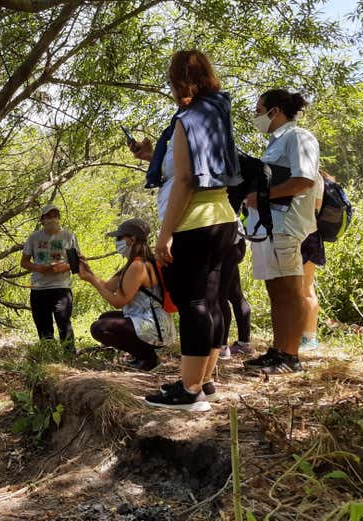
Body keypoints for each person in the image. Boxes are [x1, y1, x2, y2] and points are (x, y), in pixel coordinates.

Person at [131, 50, 242, 411]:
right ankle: (204, 380)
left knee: (193, 303)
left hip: (194, 224)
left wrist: (165, 234)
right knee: (211, 302)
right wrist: (151, 156)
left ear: (179, 80)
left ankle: (189, 390)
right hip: (222, 219)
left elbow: (184, 179)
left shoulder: (188, 119)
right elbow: (192, 165)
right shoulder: (214, 114)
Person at [243, 90, 320, 374]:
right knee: (276, 291)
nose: (256, 115)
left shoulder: (298, 137)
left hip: (286, 226)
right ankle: (277, 351)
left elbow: (303, 180)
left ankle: (290, 356)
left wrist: (263, 196)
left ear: (274, 111)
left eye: (258, 110)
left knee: (290, 290)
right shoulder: (276, 142)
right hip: (269, 227)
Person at [78, 218, 176, 371]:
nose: (117, 242)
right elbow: (108, 287)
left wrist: (91, 279)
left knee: (99, 328)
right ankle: (143, 356)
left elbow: (118, 301)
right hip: (153, 322)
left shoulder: (138, 266)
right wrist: (89, 273)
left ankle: (148, 359)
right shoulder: (136, 263)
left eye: (119, 238)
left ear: (132, 239)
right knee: (105, 318)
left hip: (155, 327)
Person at [20, 204, 79, 352]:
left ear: (59, 218)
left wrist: (62, 267)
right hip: (39, 288)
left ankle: (69, 355)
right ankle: (49, 354)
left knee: (64, 323)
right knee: (43, 326)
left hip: (62, 288)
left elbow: (77, 263)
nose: (52, 219)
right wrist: (38, 267)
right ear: (42, 220)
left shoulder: (69, 236)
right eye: (48, 216)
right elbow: (24, 262)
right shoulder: (34, 237)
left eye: (55, 216)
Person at [299, 171, 328, 351]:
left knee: (306, 288)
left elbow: (315, 208)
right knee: (301, 288)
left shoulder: (314, 177)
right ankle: (302, 335)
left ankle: (310, 338)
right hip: (309, 234)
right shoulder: (317, 176)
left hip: (306, 235)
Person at [218, 225, 253, 359]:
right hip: (235, 240)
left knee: (219, 298)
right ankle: (244, 343)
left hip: (225, 241)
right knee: (234, 294)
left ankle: (221, 347)